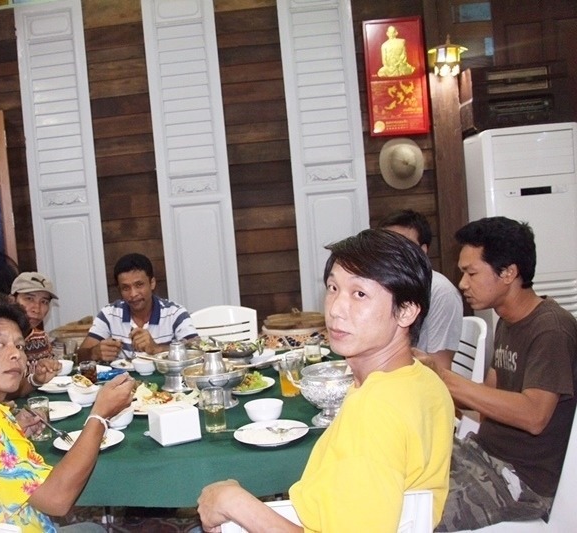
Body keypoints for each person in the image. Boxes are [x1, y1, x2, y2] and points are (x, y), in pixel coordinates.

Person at [196, 229, 455, 532]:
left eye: (359, 294)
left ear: (406, 311)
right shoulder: (424, 380)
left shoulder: (375, 410)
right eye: (333, 288)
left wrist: (235, 503)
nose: (335, 309)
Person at [0, 294, 135, 532]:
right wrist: (100, 417)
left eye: (19, 346)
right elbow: (56, 500)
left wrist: (12, 429)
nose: (16, 354)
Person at [425, 217, 577, 531]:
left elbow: (534, 416)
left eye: (471, 273)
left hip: (519, 480)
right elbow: (485, 402)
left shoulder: (551, 329)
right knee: (392, 472)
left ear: (508, 273)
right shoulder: (507, 321)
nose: (462, 283)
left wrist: (444, 377)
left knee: (410, 514)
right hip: (480, 454)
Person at [379, 209, 463, 368]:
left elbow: (440, 367)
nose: (394, 253)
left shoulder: (440, 291)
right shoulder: (383, 284)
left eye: (404, 245)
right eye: (387, 245)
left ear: (423, 251)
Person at [77, 253, 198, 362]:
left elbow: (197, 349)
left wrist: (157, 349)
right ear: (119, 290)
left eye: (139, 285)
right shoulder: (109, 314)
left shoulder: (175, 313)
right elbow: (80, 355)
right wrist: (94, 353)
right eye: (126, 288)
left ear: (152, 283)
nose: (133, 294)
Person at [10, 272, 62, 397]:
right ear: (11, 300)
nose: (37, 309)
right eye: (29, 299)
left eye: (44, 302)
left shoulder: (41, 339)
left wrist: (37, 379)